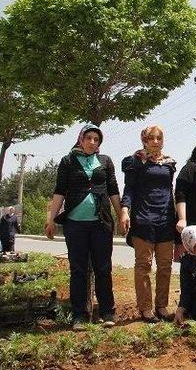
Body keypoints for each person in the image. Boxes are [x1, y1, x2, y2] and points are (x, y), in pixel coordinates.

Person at [44, 124, 122, 330]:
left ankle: (107, 312)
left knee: (103, 268)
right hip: (75, 224)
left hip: (101, 224)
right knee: (78, 269)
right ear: (81, 139)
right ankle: (79, 315)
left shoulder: (105, 161)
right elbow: (60, 191)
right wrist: (51, 218)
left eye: (96, 139)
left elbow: (113, 190)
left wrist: (122, 213)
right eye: (88, 138)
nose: (92, 142)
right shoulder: (68, 161)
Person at [120, 125, 176, 322]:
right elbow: (129, 189)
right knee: (143, 265)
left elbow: (170, 191)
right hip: (143, 219)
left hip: (166, 219)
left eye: (159, 138)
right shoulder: (136, 162)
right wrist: (125, 210)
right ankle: (145, 309)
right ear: (144, 140)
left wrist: (176, 217)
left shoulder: (169, 163)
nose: (155, 141)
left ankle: (161, 306)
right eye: (151, 138)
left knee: (165, 266)